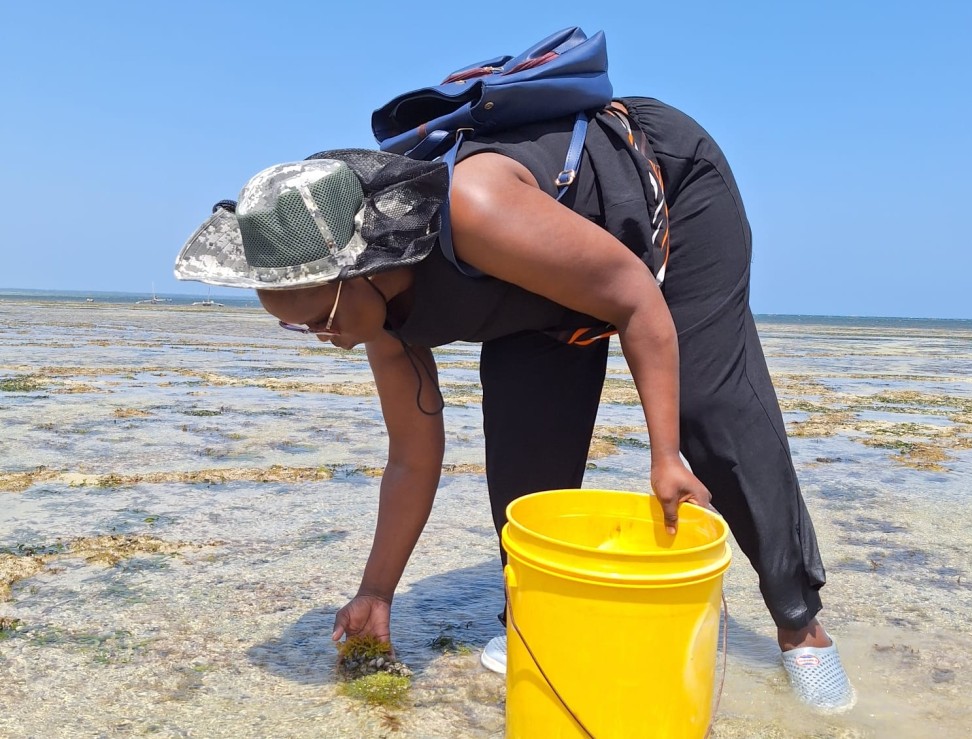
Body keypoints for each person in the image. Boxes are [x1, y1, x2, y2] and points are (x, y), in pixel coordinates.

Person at [175, 96, 855, 711]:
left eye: (320, 317)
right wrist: (376, 591)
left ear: (362, 268)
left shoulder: (476, 209)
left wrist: (664, 452)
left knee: (711, 414)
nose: (321, 338)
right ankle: (535, 619)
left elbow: (636, 299)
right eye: (295, 327)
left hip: (665, 200)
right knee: (524, 481)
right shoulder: (378, 319)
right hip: (539, 298)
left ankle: (802, 627)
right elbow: (413, 459)